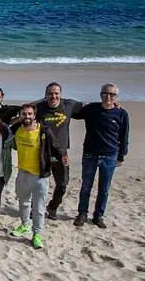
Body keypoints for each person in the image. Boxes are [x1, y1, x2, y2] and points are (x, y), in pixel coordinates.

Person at [10, 103, 67, 250]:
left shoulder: (44, 130)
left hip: (40, 176)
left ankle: (37, 234)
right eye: (24, 114)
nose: (27, 116)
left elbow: (56, 145)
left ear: (34, 115)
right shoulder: (16, 129)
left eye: (30, 114)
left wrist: (62, 156)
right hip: (22, 173)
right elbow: (2, 133)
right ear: (20, 116)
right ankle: (24, 226)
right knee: (23, 203)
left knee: (39, 208)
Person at [72, 84, 129, 229]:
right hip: (90, 155)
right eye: (105, 93)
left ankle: (98, 216)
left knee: (104, 190)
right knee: (86, 187)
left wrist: (121, 156)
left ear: (116, 97)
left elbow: (124, 136)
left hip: (110, 157)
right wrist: (83, 104)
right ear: (100, 94)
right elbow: (72, 112)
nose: (108, 97)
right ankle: (82, 214)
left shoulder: (121, 114)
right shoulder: (91, 109)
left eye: (112, 94)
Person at [34, 82, 84, 220]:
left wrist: (113, 106)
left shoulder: (69, 105)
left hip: (62, 153)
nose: (53, 96)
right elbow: (23, 111)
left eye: (56, 93)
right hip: (42, 152)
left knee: (62, 185)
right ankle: (35, 208)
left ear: (61, 94)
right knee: (38, 185)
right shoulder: (38, 108)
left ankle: (52, 207)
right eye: (50, 93)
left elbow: (89, 107)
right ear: (45, 95)